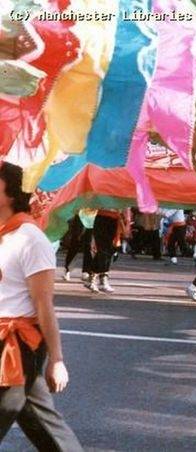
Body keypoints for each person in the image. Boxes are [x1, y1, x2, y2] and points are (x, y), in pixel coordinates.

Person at [0, 161, 83, 450]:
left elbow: (44, 304)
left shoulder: (30, 239)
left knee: (31, 415)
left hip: (20, 346)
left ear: (10, 193)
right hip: (3, 340)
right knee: (41, 421)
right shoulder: (4, 234)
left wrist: (57, 361)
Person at [87, 208, 123, 293]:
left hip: (115, 220)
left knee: (111, 251)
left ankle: (97, 277)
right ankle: (99, 278)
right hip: (101, 218)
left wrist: (128, 222)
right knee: (103, 250)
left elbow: (126, 205)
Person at [62, 209, 95, 282]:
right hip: (81, 215)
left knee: (89, 245)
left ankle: (86, 271)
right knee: (75, 243)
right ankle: (67, 269)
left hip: (92, 217)